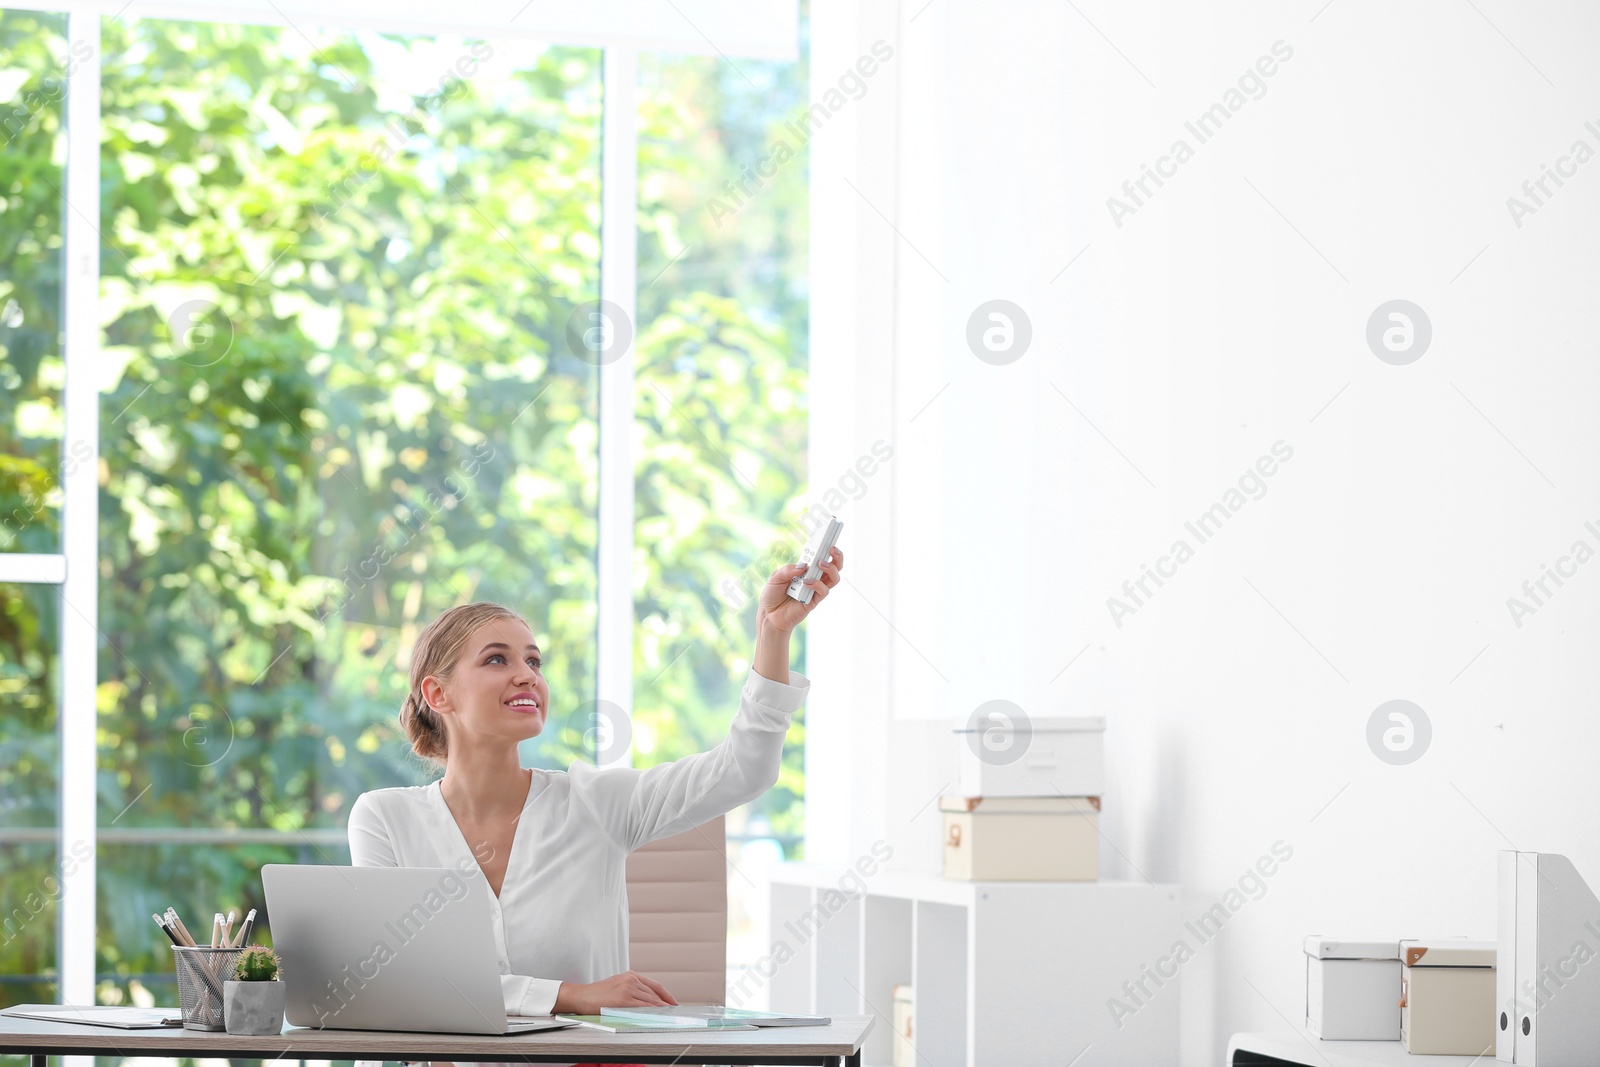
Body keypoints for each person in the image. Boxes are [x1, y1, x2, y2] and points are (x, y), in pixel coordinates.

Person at [346, 546, 842, 1067]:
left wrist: (773, 633)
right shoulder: (384, 818)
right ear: (437, 693)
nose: (527, 675)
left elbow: (744, 769)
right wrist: (572, 996)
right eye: (498, 659)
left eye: (533, 661)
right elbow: (399, 979)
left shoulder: (596, 803)